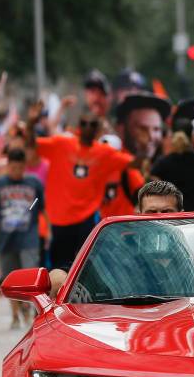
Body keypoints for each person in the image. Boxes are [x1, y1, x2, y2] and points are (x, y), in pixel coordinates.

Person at [28, 107, 134, 270]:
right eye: (84, 123)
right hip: (60, 219)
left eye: (92, 125)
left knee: (87, 264)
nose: (88, 128)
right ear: (79, 125)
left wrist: (137, 139)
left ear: (97, 129)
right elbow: (31, 144)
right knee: (59, 267)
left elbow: (133, 163)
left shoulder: (105, 153)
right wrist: (31, 123)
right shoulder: (62, 143)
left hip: (87, 217)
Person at [48, 180, 183, 299]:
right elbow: (85, 269)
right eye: (151, 213)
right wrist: (59, 274)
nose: (159, 218)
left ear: (182, 214)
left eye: (167, 212)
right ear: (138, 215)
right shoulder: (117, 250)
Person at [0, 149, 45, 328]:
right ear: (8, 166)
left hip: (28, 237)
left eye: (20, 168)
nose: (16, 171)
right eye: (13, 168)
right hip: (6, 239)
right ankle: (15, 315)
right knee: (9, 279)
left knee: (30, 278)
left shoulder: (34, 182)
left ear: (24, 166)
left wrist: (48, 230)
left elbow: (41, 204)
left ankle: (28, 312)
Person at [150, 131, 194, 211]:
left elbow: (153, 176)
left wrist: (164, 191)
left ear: (173, 144)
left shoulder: (164, 161)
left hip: (174, 206)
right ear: (188, 143)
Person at [115, 92, 171, 167]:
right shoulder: (109, 169)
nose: (151, 136)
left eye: (156, 129)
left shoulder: (165, 172)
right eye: (143, 128)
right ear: (121, 130)